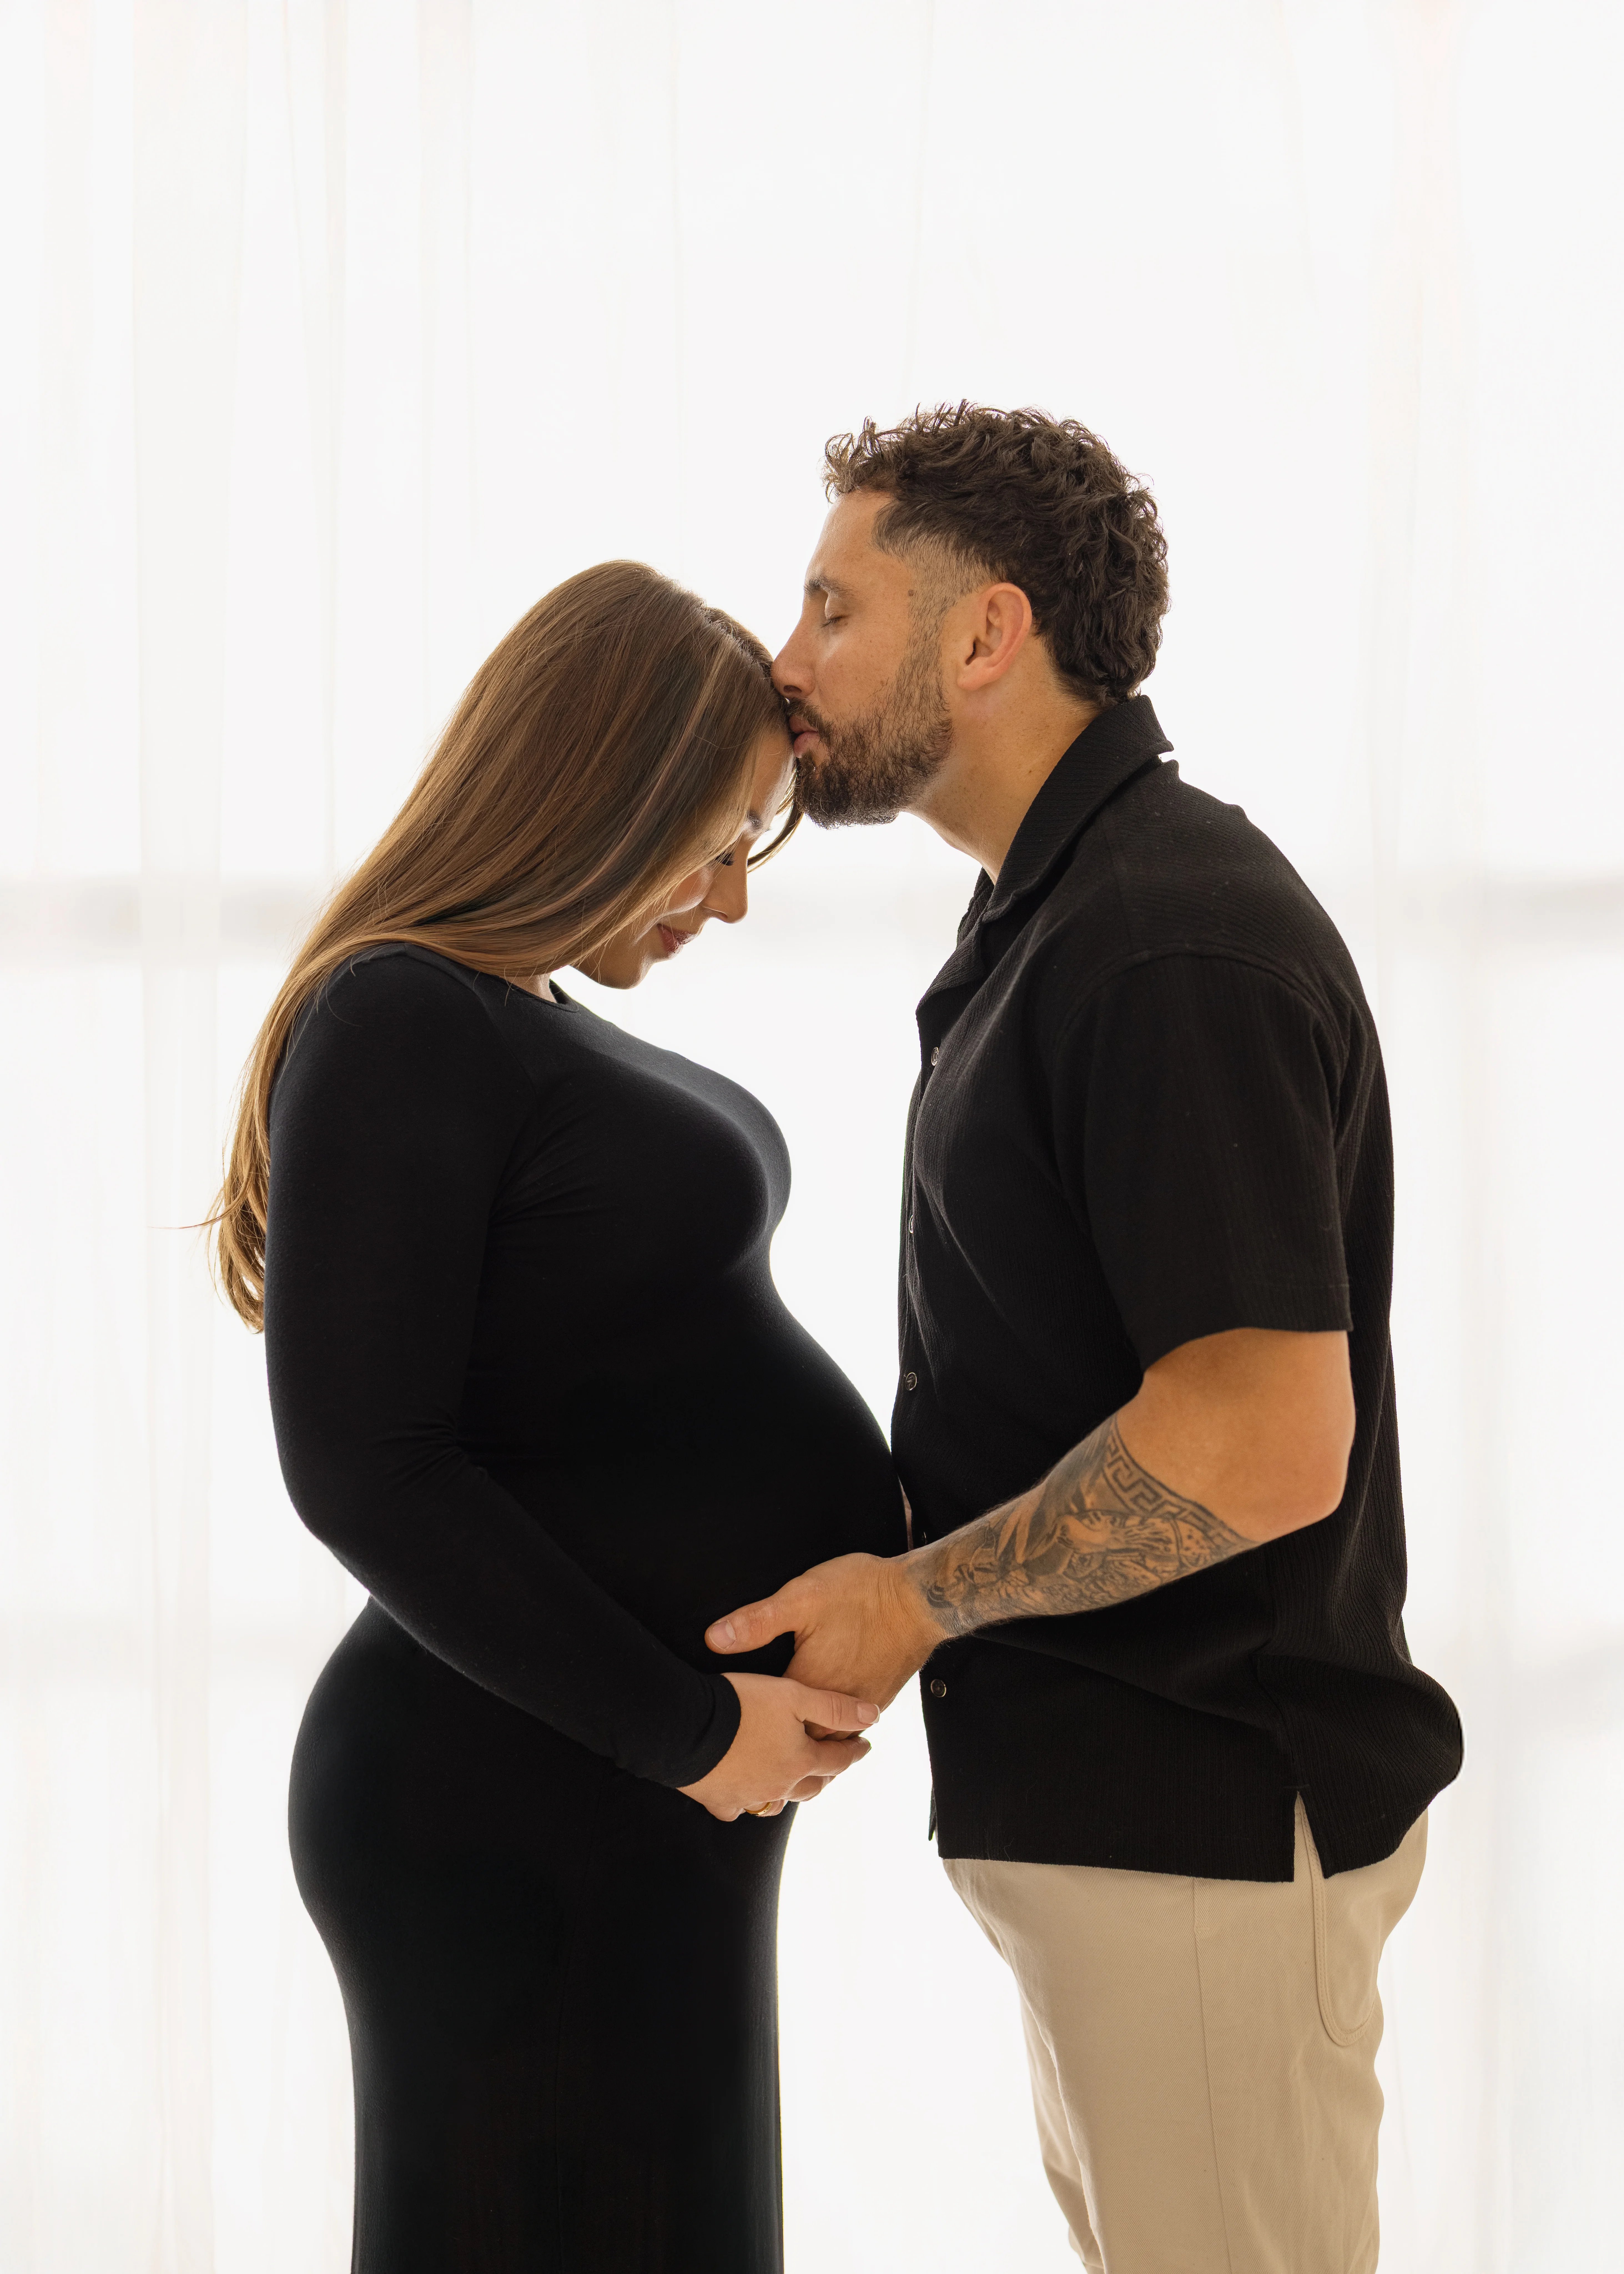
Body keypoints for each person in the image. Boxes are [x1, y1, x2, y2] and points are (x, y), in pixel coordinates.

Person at [708, 405, 1464, 2274]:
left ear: (988, 634)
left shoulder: (1159, 937)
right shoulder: (1059, 915)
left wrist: (917, 1601)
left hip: (1207, 1827)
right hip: (1137, 1838)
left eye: (832, 609)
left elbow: (1263, 1441)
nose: (787, 661)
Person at [210, 562, 903, 2274]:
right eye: (714, 845)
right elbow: (364, 1467)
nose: (727, 903)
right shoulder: (399, 1014)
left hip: (631, 1794)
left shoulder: (510, 1018)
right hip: (512, 1799)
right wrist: (693, 1732)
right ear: (601, 794)